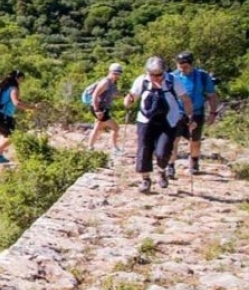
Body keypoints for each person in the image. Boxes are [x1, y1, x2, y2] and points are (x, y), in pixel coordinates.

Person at [123, 56, 195, 193]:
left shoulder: (172, 80)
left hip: (168, 120)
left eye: (159, 74)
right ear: (147, 72)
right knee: (144, 149)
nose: (156, 77)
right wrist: (128, 101)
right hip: (146, 120)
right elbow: (132, 97)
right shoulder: (141, 81)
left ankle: (161, 171)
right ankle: (145, 179)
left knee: (163, 152)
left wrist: (190, 116)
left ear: (164, 72)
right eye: (152, 74)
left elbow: (185, 99)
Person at [167, 51, 219, 177]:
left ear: (191, 64)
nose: (182, 69)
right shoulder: (172, 77)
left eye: (185, 67)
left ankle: (194, 160)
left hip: (196, 112)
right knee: (174, 140)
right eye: (180, 66)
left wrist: (212, 113)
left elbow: (212, 95)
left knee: (194, 141)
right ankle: (170, 166)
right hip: (177, 113)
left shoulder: (202, 76)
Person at [0, 70, 38, 163]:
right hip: (3, 116)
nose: (22, 81)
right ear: (17, 78)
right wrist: (32, 107)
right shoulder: (14, 88)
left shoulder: (3, 86)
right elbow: (16, 103)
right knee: (14, 136)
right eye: (21, 79)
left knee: (5, 134)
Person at [85, 63, 125, 152]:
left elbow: (115, 94)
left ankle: (90, 148)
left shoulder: (113, 83)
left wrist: (125, 95)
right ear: (110, 72)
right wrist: (97, 110)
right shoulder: (105, 82)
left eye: (119, 73)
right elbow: (95, 95)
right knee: (115, 128)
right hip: (99, 109)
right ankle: (114, 148)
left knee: (97, 127)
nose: (117, 75)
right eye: (115, 73)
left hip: (103, 109)